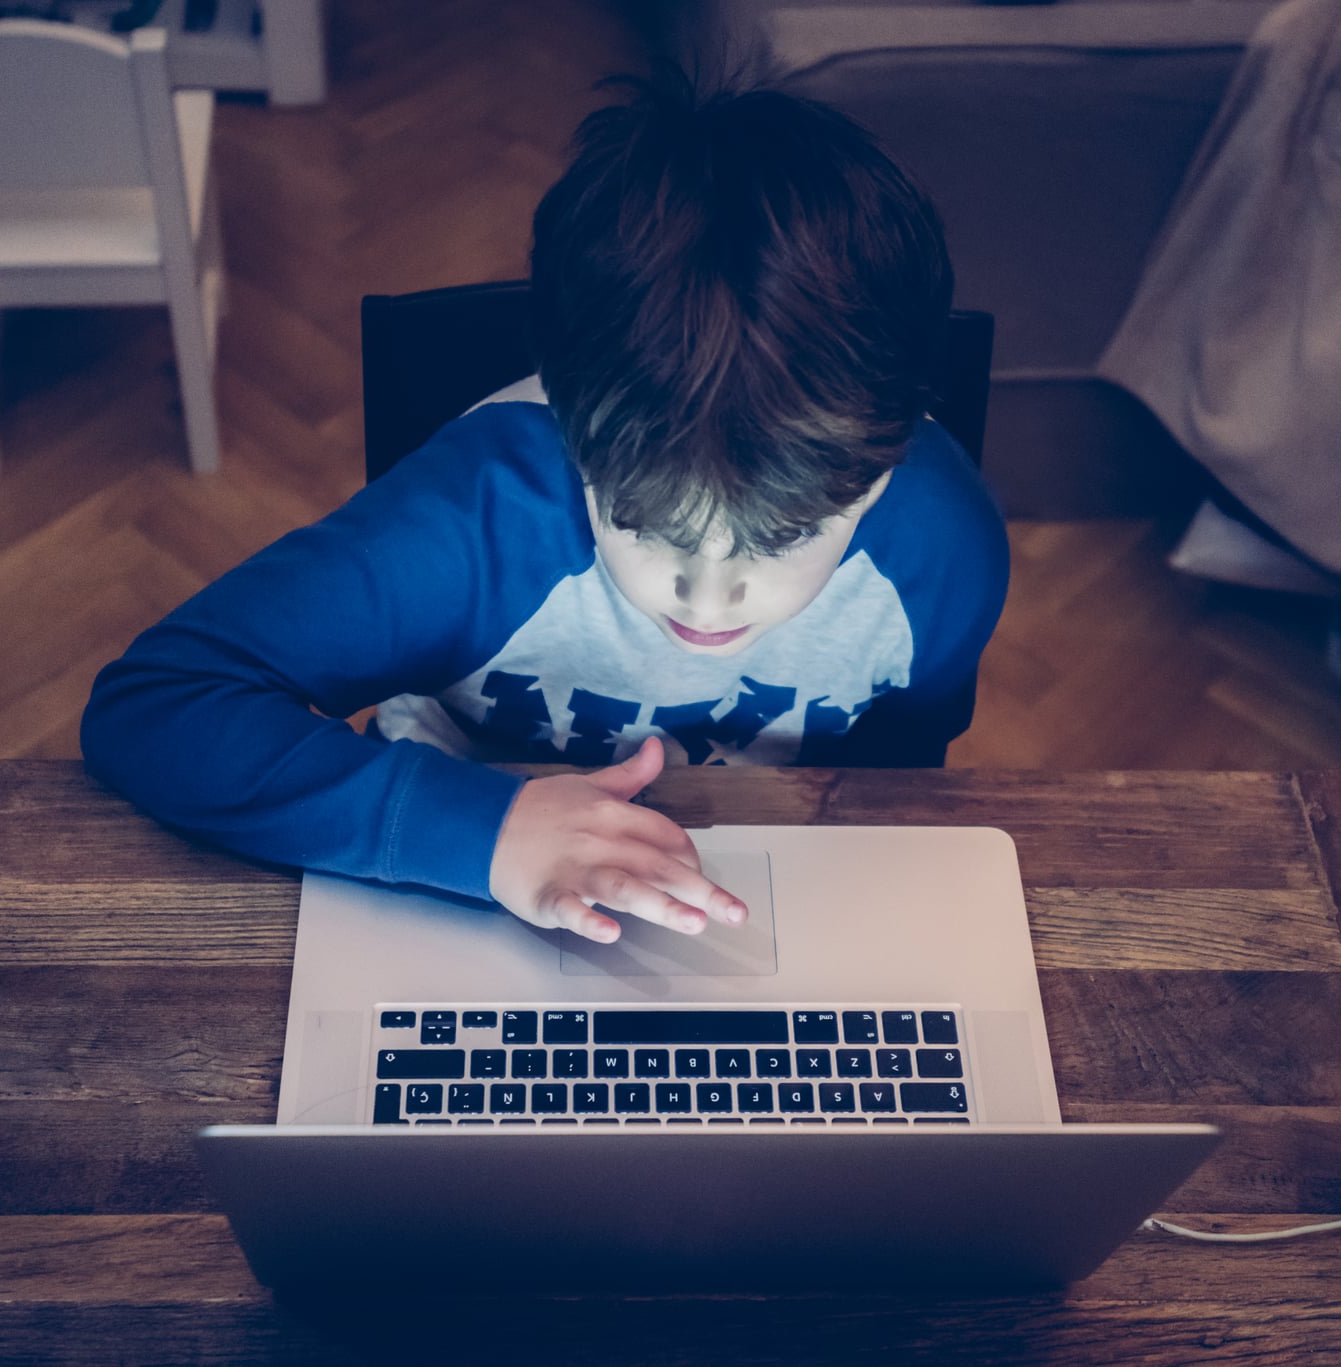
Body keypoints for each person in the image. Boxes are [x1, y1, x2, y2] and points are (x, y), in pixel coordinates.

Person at [80, 72, 1009, 947]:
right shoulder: (468, 523)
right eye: (647, 525)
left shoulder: (944, 549)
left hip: (770, 891)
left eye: (786, 536)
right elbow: (157, 702)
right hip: (457, 882)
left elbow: (900, 778)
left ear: (883, 469)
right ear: (573, 429)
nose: (709, 598)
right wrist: (483, 833)